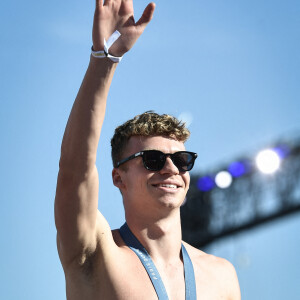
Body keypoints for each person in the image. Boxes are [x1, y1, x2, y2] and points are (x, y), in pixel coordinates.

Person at [54, 0, 241, 299]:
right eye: (153, 160)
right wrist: (104, 59)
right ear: (118, 177)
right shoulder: (98, 253)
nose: (171, 170)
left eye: (182, 160)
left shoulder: (221, 276)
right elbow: (74, 170)